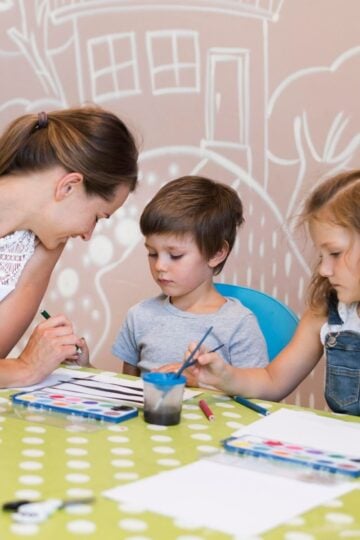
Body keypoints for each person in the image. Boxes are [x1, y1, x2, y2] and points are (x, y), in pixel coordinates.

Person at [188, 170, 360, 415]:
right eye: (321, 256)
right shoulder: (325, 313)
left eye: (334, 253)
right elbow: (272, 380)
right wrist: (225, 377)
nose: (323, 269)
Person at [0, 105, 138, 388]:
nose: (88, 234)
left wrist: (26, 366)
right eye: (98, 217)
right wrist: (25, 368)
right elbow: (15, 370)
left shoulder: (44, 241)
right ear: (69, 187)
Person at [112, 175, 268, 384]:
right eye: (152, 253)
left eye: (175, 255)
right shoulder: (139, 316)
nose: (159, 266)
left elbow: (256, 400)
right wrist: (84, 366)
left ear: (216, 253)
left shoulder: (239, 325)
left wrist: (200, 383)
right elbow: (126, 390)